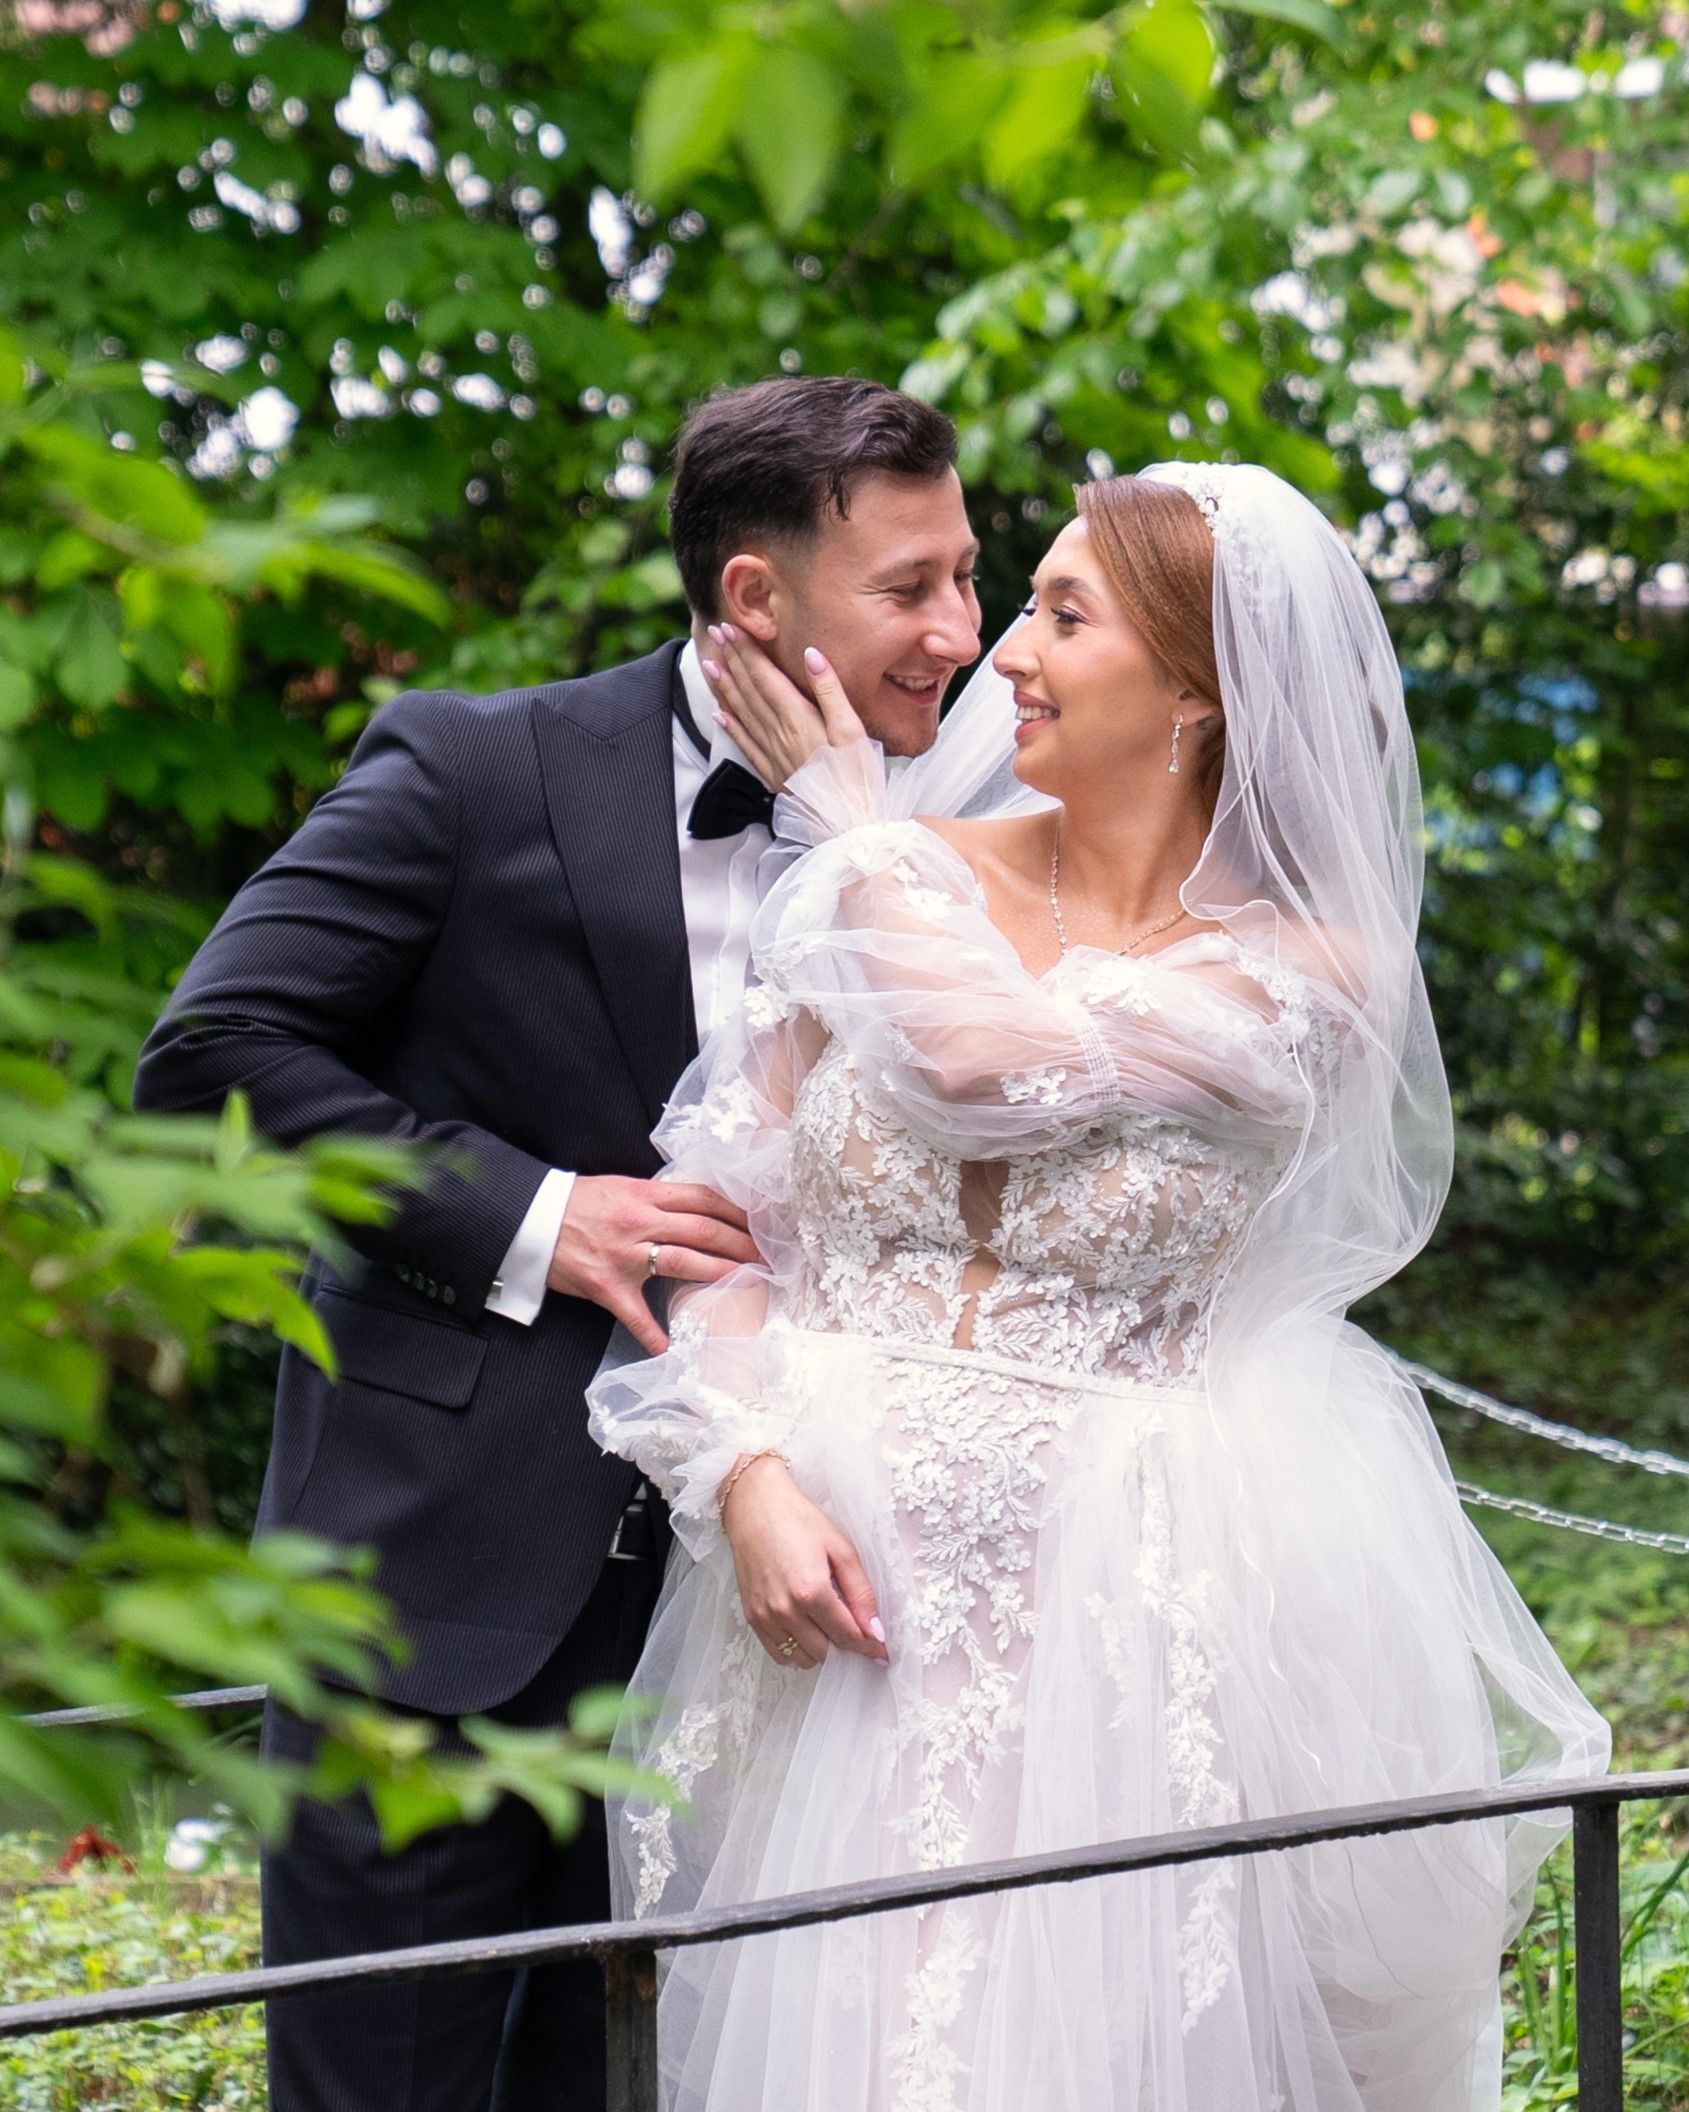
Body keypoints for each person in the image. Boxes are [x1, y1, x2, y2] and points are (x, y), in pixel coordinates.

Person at [585, 461, 1611, 2111]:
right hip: (833, 1595)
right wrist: (747, 1473)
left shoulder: (1300, 970)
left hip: (1123, 1601)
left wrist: (851, 833)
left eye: (1065, 616)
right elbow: (719, 1226)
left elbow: (982, 1065)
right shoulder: (898, 880)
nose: (1003, 653)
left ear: (1198, 692)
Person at [130, 374, 983, 2112]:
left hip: (768, 1642)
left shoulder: (966, 837)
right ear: (754, 595)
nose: (960, 633)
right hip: (431, 1603)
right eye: (911, 587)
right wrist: (534, 1212)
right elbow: (214, 1047)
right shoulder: (474, 765)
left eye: (970, 576)